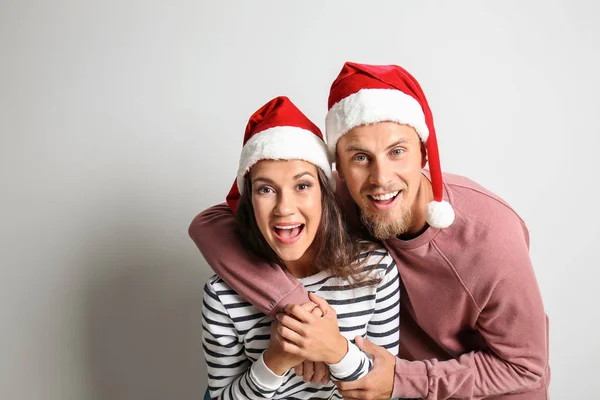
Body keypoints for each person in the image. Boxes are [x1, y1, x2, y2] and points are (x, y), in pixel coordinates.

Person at [191, 63, 550, 399]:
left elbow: (526, 367)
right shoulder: (336, 201)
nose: (381, 180)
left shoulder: (490, 237)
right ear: (339, 168)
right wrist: (302, 320)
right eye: (360, 157)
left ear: (423, 153)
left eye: (397, 151)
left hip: (480, 388)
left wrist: (399, 380)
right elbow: (210, 225)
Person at [201, 96, 401, 399]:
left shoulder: (375, 270)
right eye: (266, 189)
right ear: (249, 200)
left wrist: (335, 350)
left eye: (302, 185)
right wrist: (275, 360)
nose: (284, 208)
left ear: (325, 192)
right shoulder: (222, 295)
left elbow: (386, 389)